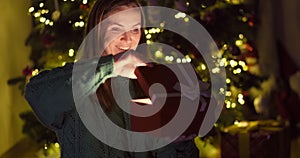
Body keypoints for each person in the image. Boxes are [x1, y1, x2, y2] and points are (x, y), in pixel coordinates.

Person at [24, 0, 199, 157]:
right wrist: (111, 66)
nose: (128, 39)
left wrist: (179, 131)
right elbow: (37, 93)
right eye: (116, 29)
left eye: (135, 29)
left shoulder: (153, 83)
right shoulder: (78, 80)